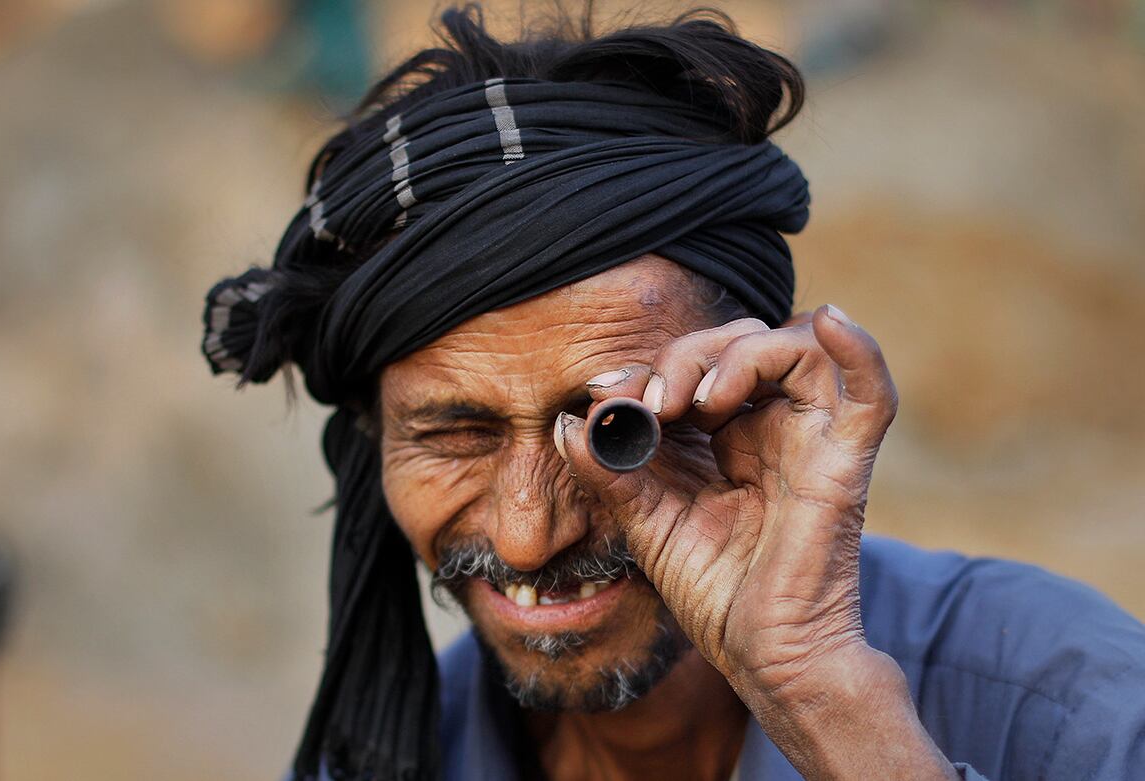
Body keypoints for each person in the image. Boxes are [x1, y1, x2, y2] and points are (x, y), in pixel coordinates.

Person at [200, 6, 1145, 780]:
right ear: (376, 444)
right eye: (458, 436)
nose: (530, 535)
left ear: (756, 399)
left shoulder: (1062, 710)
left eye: (615, 429)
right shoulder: (383, 757)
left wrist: (826, 704)